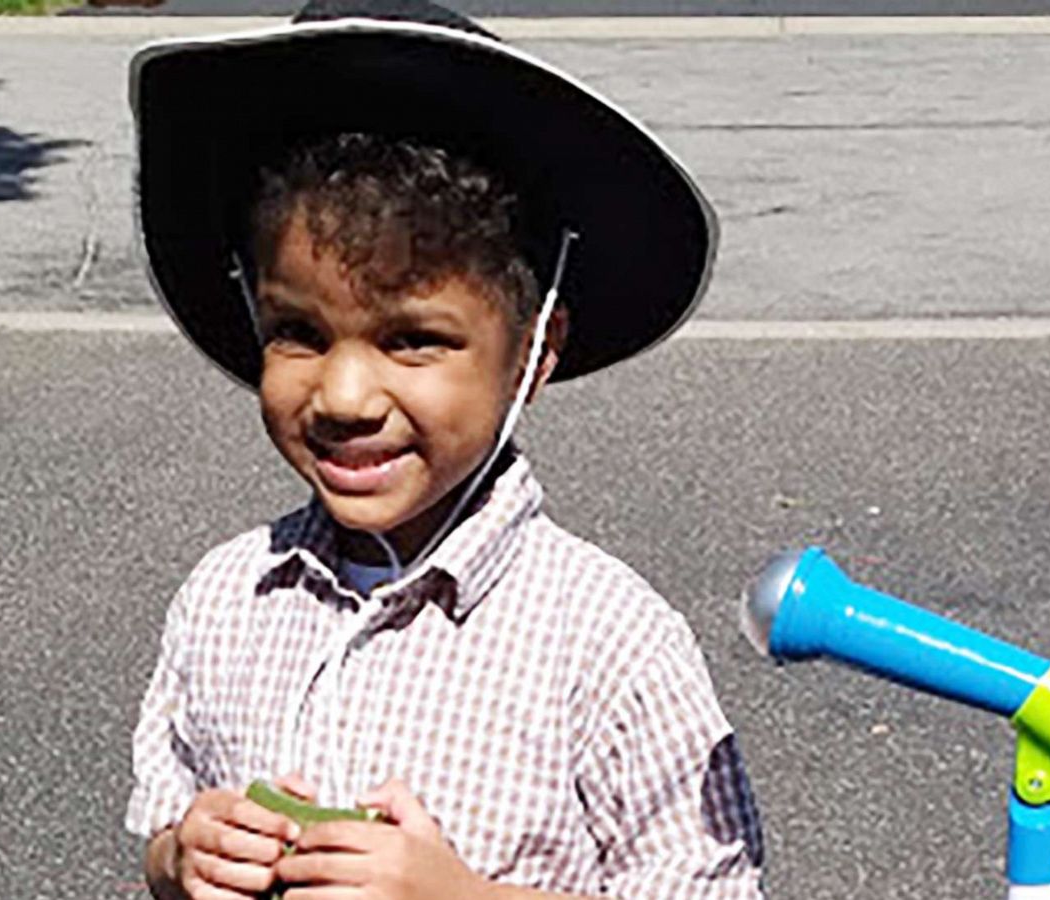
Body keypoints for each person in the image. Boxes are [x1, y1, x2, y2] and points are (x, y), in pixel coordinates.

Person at [124, 3, 765, 897]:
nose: (344, 398)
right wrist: (182, 856)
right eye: (298, 332)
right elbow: (163, 823)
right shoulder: (225, 599)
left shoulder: (608, 642)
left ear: (533, 354)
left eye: (414, 340)